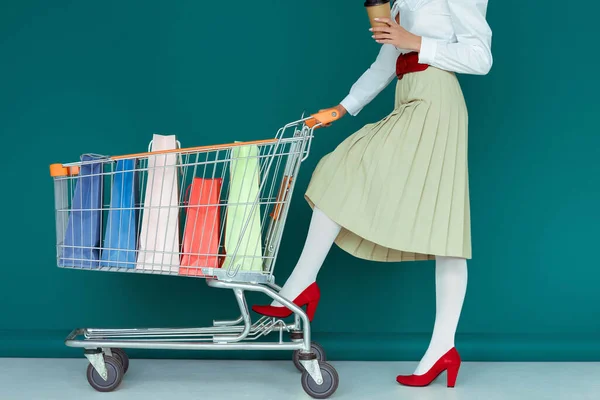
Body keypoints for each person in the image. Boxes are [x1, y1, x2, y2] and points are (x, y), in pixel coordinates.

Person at [253, 0, 492, 387]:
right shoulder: (398, 2)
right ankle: (300, 287)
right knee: (343, 172)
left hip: (437, 103)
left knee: (443, 225)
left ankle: (441, 345)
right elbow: (384, 64)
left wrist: (414, 39)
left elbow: (481, 58)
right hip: (409, 94)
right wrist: (341, 109)